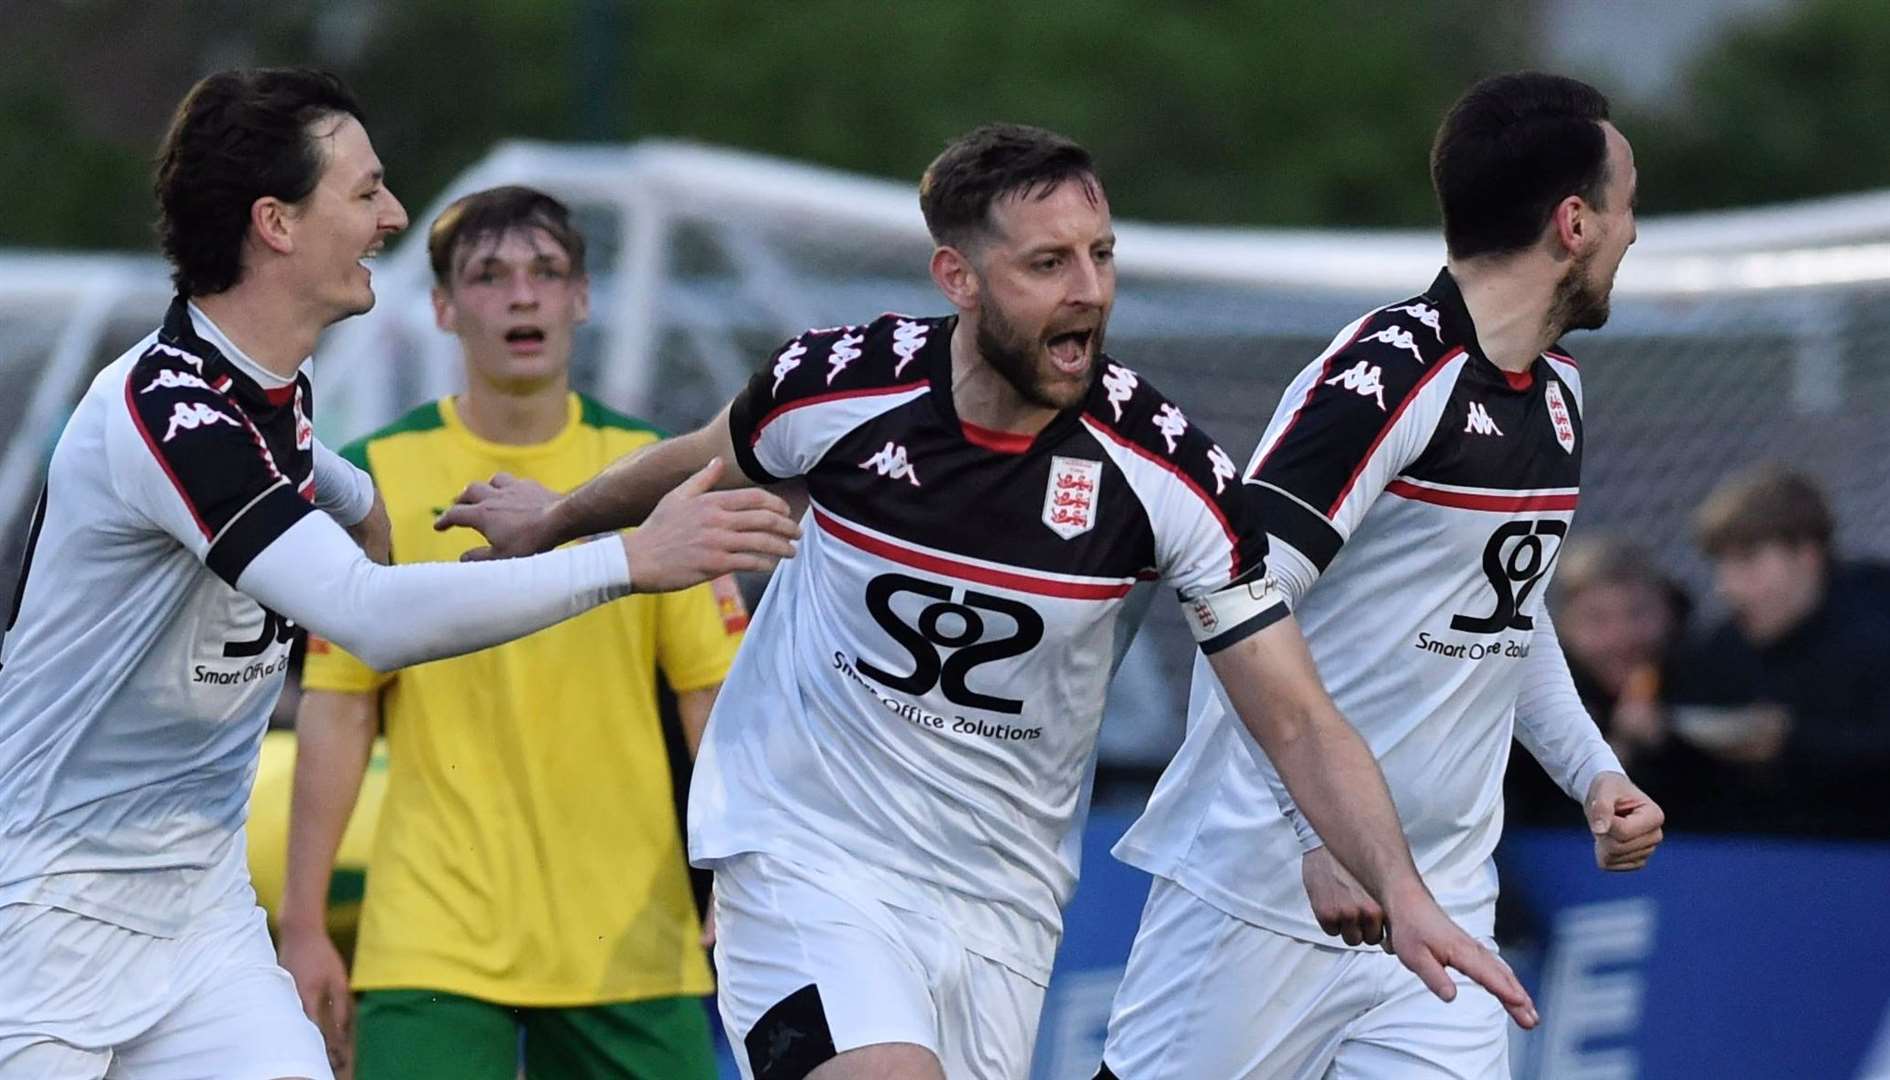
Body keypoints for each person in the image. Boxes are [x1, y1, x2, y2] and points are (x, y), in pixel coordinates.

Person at [438, 122, 1531, 1080]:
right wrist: (555, 520)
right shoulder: (839, 386)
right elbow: (705, 456)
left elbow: (1294, 714)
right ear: (957, 277)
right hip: (806, 852)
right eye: (1047, 263)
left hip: (1000, 901)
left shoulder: (1167, 476)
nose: (1088, 290)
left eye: (1101, 257)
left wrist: (1406, 888)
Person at [0, 68, 796, 1080]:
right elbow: (366, 619)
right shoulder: (169, 411)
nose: (394, 212)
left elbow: (324, 482)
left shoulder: (268, 400)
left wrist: (370, 508)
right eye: (365, 189)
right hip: (46, 910)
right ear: (276, 224)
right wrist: (627, 557)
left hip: (197, 913)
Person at [1097, 73, 1666, 1080]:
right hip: (1269, 892)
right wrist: (1315, 831)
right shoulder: (1394, 369)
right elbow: (1236, 603)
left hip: (1438, 906)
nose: (1636, 232)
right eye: (1627, 205)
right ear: (1574, 223)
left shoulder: (1562, 396)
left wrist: (1593, 774)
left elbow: (1505, 618)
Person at [275, 185, 743, 1080]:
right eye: (489, 276)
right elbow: (338, 710)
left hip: (628, 938)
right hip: (432, 935)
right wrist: (302, 925)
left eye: (546, 272)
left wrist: (741, 872)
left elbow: (713, 696)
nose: (522, 295)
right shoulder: (376, 476)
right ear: (445, 308)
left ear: (582, 298)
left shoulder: (657, 476)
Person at [1665, 463, 1890, 838]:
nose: (1728, 587)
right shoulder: (1720, 649)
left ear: (1806, 554)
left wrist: (1796, 742)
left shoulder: (1876, 626)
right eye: (1721, 564)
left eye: (1747, 561)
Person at [1504, 535, 1700, 826]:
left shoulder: (1703, 677)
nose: (1621, 638)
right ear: (1564, 627)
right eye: (1597, 619)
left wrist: (1672, 743)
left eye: (1637, 613)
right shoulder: (1530, 700)